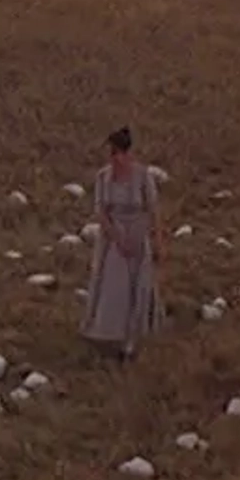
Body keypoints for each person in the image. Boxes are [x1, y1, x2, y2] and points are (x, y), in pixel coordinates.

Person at [80, 126, 164, 361]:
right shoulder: (103, 177)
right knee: (115, 287)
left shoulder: (142, 176)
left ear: (127, 154)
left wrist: (156, 240)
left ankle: (132, 340)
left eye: (117, 153)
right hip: (114, 239)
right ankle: (110, 334)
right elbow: (101, 212)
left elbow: (153, 210)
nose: (114, 159)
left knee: (138, 287)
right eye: (111, 154)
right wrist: (117, 238)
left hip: (138, 237)